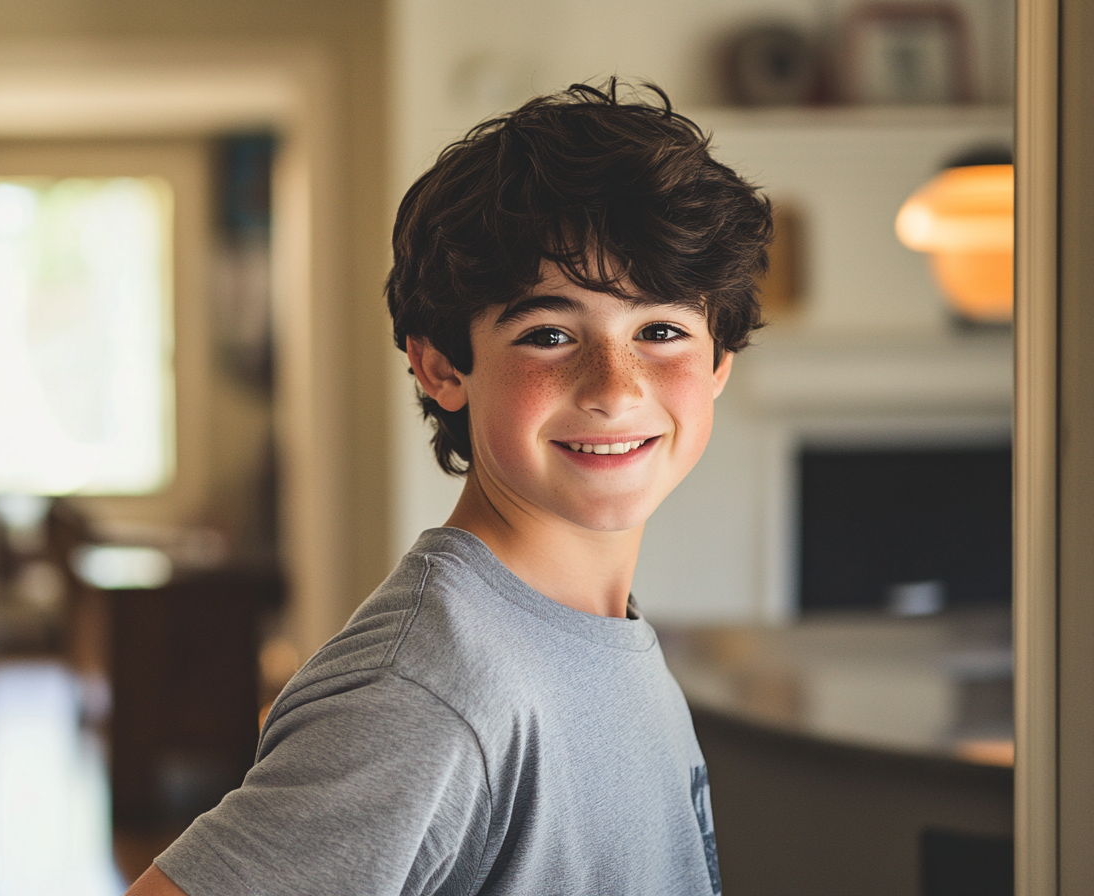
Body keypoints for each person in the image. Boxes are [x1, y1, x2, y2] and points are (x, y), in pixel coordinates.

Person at [128, 79, 772, 896]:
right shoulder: (428, 690)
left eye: (662, 331)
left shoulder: (593, 635)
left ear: (718, 363)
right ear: (440, 366)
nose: (616, 387)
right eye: (548, 333)